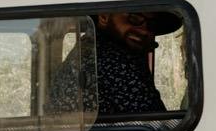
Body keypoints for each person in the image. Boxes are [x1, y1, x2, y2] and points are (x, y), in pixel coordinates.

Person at [46, 9, 177, 120]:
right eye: (134, 19)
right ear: (103, 17)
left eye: (151, 25)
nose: (145, 31)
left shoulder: (88, 49)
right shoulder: (113, 59)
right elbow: (156, 122)